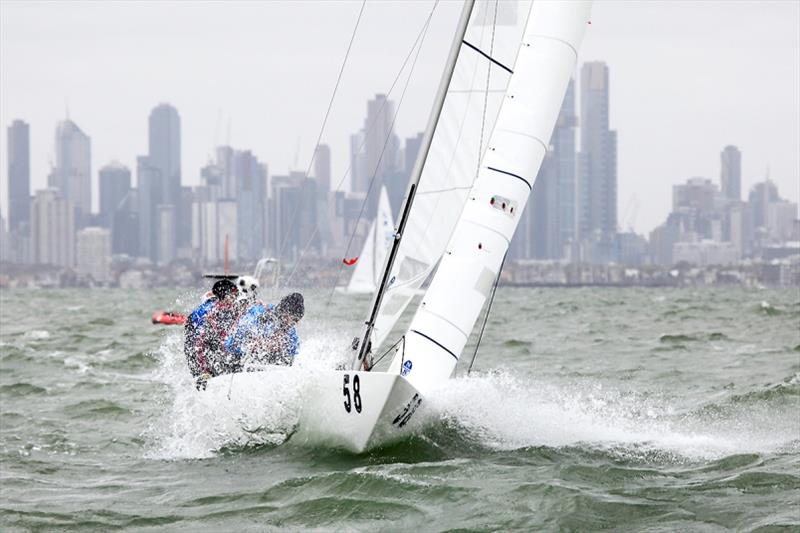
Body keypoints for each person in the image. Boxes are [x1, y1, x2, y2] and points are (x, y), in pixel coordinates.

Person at [184, 278, 241, 388]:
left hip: (197, 345)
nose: (235, 298)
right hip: (197, 348)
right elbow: (199, 342)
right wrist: (204, 371)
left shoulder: (219, 307)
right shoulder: (214, 312)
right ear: (225, 296)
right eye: (233, 295)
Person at [226, 292, 304, 368]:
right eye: (288, 318)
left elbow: (293, 352)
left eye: (295, 320)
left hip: (263, 361)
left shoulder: (290, 331)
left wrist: (281, 347)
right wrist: (261, 344)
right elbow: (239, 334)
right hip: (234, 353)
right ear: (282, 311)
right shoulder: (261, 313)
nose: (290, 323)